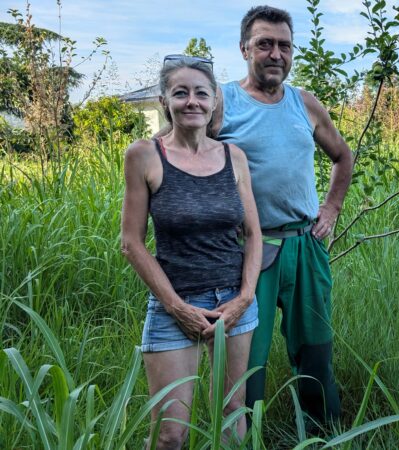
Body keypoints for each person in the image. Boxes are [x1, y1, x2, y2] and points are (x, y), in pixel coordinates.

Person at [209, 5, 354, 427]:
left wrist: (332, 207)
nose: (276, 54)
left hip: (305, 246)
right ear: (244, 49)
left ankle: (322, 432)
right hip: (246, 252)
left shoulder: (304, 103)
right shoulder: (221, 102)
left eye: (284, 46)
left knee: (315, 349)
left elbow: (343, 157)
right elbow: (179, 152)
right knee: (245, 359)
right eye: (265, 44)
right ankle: (244, 434)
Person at [121, 55, 262, 449]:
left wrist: (245, 297)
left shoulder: (234, 157)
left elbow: (253, 233)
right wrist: (176, 308)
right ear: (165, 100)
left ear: (215, 100)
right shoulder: (145, 155)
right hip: (175, 303)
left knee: (232, 416)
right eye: (180, 93)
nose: (192, 102)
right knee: (170, 432)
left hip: (233, 303)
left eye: (201, 93)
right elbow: (131, 242)